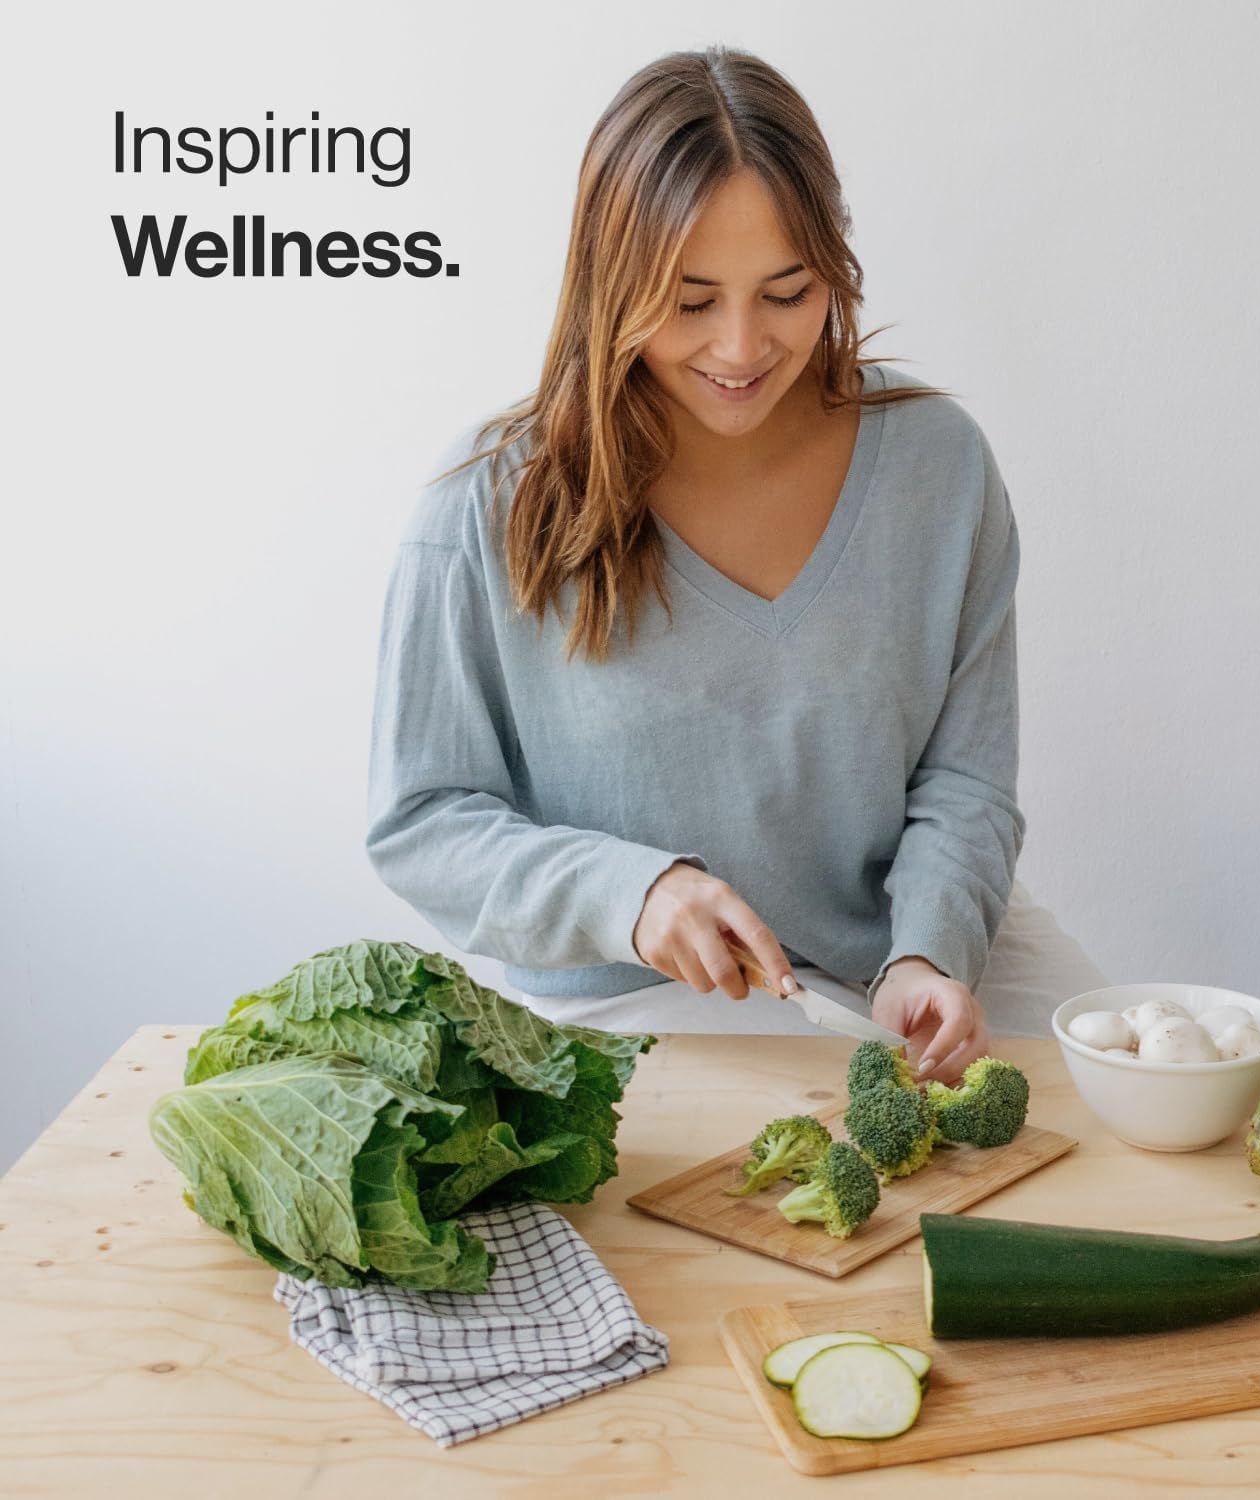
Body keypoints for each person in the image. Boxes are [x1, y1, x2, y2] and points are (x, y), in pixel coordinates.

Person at [366, 46, 1027, 1087]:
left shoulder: (938, 468)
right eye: (688, 301)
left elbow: (967, 777)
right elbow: (421, 821)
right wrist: (630, 895)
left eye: (787, 291)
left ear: (835, 264)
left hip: (898, 962)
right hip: (613, 996)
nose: (740, 346)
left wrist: (928, 952)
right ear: (611, 284)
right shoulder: (485, 500)